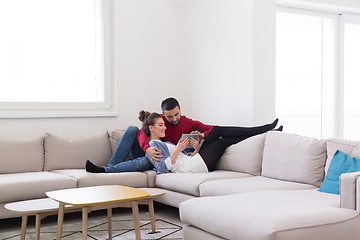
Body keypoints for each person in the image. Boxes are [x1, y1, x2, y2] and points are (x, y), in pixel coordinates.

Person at [139, 110, 280, 174]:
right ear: (151, 128)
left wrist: (196, 149)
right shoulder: (152, 145)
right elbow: (162, 169)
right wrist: (178, 149)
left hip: (193, 161)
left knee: (217, 131)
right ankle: (264, 130)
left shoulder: (165, 143)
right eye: (161, 125)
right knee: (223, 140)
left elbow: (180, 160)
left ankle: (264, 130)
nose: (165, 127)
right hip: (192, 167)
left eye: (164, 124)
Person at [85, 125, 153, 173]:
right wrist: (146, 148)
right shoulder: (159, 119)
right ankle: (111, 166)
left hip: (157, 159)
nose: (164, 127)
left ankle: (106, 170)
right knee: (132, 129)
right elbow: (142, 132)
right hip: (147, 152)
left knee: (145, 161)